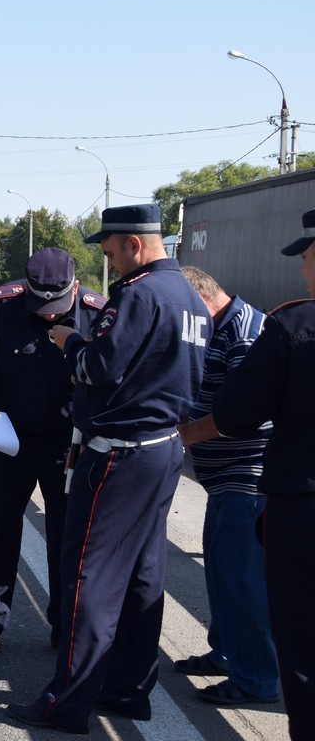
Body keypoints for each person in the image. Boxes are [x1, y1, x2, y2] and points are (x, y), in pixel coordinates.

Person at [5, 204, 209, 734]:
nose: (111, 263)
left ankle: (66, 702)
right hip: (164, 447)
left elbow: (97, 368)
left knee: (87, 579)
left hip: (120, 452)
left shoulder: (139, 295)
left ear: (134, 245)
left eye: (112, 252)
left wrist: (68, 339)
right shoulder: (191, 297)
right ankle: (129, 690)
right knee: (144, 576)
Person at [0, 248, 106, 663]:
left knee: (69, 540)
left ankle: (65, 628)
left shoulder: (99, 313)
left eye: (57, 309)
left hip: (70, 447)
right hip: (8, 442)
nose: (48, 316)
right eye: (40, 307)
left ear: (76, 287)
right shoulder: (1, 306)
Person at [208, 207, 315, 741]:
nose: (301, 271)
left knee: (299, 641)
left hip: (299, 509)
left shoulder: (294, 325)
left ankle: (281, 702)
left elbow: (234, 414)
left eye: (308, 258)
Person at [175, 267, 278, 706]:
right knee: (220, 573)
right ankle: (226, 653)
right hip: (223, 480)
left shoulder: (247, 334)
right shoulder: (218, 329)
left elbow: (243, 415)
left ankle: (256, 679)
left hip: (248, 477)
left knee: (243, 581)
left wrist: (177, 437)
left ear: (199, 302)